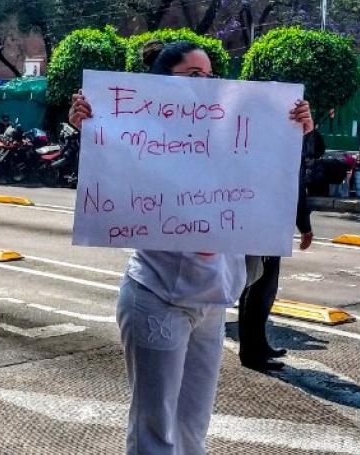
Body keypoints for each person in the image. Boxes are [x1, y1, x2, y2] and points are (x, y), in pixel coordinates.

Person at [68, 40, 315, 455]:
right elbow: (111, 166)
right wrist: (90, 126)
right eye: (194, 75)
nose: (206, 83)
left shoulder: (228, 134)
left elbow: (266, 177)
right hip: (158, 296)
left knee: (193, 427)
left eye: (211, 75)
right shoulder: (142, 134)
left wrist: (293, 130)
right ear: (162, 84)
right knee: (154, 429)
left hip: (212, 303)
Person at [238, 130, 317, 371]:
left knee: (266, 288)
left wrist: (303, 223)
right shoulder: (263, 135)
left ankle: (259, 344)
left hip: (275, 224)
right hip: (257, 219)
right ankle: (251, 351)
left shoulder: (291, 135)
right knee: (256, 287)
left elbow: (296, 184)